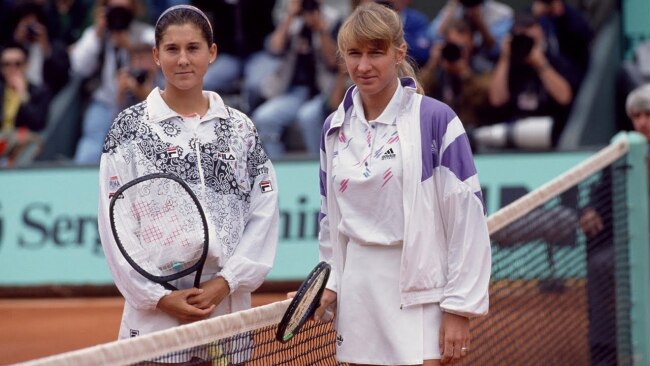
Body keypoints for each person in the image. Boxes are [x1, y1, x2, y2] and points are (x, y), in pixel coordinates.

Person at [313, 3, 492, 365]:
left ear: (400, 53)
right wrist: (330, 281)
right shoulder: (333, 127)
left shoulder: (436, 120)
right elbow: (330, 219)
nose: (363, 66)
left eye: (376, 53)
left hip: (419, 294)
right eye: (354, 54)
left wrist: (459, 307)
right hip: (359, 292)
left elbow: (467, 218)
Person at [97, 4, 279, 342]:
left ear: (211, 53)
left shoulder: (242, 129)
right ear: (155, 55)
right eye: (172, 49)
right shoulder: (128, 129)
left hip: (226, 311)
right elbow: (115, 226)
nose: (183, 59)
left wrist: (226, 283)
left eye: (193, 48)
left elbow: (263, 213)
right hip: (155, 322)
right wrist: (159, 297)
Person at [579, 84, 650, 366]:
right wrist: (590, 211)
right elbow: (599, 194)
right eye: (636, 116)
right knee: (601, 264)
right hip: (629, 250)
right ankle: (606, 352)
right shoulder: (620, 154)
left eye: (648, 114)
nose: (642, 122)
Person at [474, 12, 578, 151]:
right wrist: (505, 58)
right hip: (513, 135)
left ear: (541, 33)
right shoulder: (509, 66)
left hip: (550, 137)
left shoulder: (556, 62)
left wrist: (540, 64)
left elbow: (564, 97)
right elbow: (497, 100)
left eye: (531, 37)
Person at [252, 0, 342, 158]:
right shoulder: (290, 19)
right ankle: (278, 174)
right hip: (294, 91)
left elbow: (334, 62)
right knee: (264, 117)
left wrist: (321, 30)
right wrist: (290, 16)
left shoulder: (333, 19)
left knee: (307, 116)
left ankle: (320, 169)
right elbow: (275, 48)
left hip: (324, 90)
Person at [70, 0, 155, 165]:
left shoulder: (146, 34)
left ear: (133, 9)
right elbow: (79, 67)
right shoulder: (96, 35)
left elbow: (158, 63)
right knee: (89, 150)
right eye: (114, 9)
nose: (119, 14)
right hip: (105, 102)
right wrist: (98, 31)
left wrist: (128, 46)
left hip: (142, 103)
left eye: (123, 9)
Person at [0, 41, 52, 167]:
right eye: (7, 64)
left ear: (26, 65)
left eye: (17, 64)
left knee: (30, 142)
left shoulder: (39, 91)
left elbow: (38, 123)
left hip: (21, 144)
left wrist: (23, 95)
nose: (12, 68)